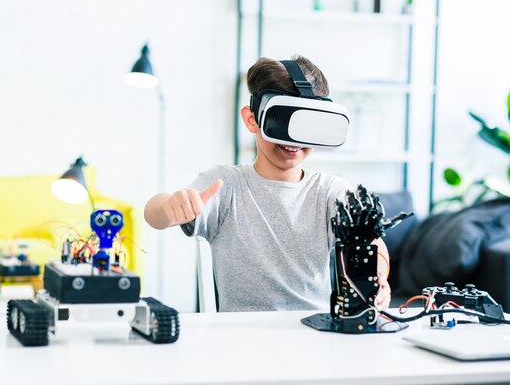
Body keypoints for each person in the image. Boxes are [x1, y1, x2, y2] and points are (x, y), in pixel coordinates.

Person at [144, 55, 391, 312]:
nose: (293, 140)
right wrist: (169, 207)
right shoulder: (226, 185)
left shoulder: (330, 192)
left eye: (306, 125)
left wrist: (379, 280)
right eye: (282, 122)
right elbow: (154, 214)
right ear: (253, 119)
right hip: (243, 337)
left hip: (314, 333)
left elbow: (372, 243)